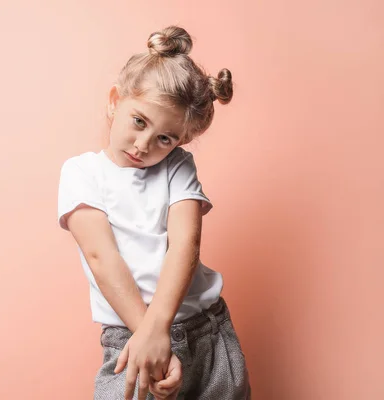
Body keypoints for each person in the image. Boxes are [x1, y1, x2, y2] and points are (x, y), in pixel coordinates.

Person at [57, 25, 251, 400]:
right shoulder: (82, 173)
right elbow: (102, 257)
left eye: (165, 138)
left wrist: (158, 329)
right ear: (116, 101)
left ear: (182, 140)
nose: (144, 145)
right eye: (139, 121)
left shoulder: (177, 166)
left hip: (206, 334)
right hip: (131, 340)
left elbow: (185, 245)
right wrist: (148, 335)